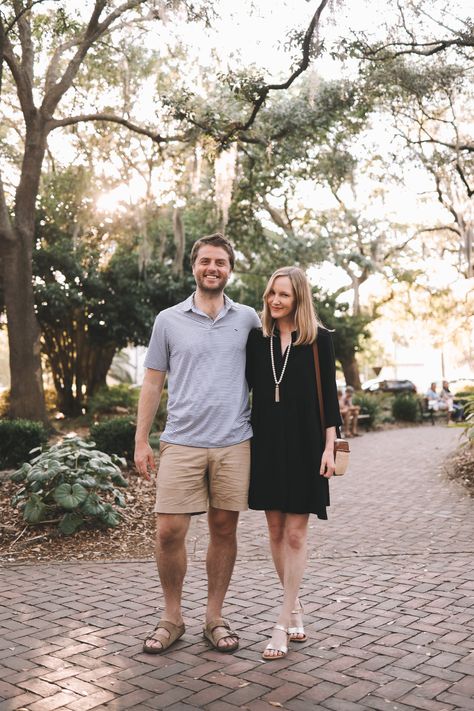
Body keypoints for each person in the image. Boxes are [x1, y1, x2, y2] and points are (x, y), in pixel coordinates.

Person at [134, 233, 260, 655]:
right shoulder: (168, 320)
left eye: (220, 262)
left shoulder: (248, 320)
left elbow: (274, 372)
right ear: (194, 266)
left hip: (233, 441)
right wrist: (141, 441)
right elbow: (153, 382)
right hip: (181, 442)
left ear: (229, 269)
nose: (213, 268)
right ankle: (172, 617)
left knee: (224, 528)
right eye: (206, 261)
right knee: (169, 531)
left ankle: (214, 617)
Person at [245, 266, 342, 661]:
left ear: (299, 298)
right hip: (266, 445)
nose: (275, 300)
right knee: (274, 530)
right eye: (271, 293)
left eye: (283, 294)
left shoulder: (320, 342)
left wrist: (329, 448)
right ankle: (296, 604)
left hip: (305, 447)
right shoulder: (257, 340)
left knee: (296, 535)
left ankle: (282, 622)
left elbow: (330, 402)